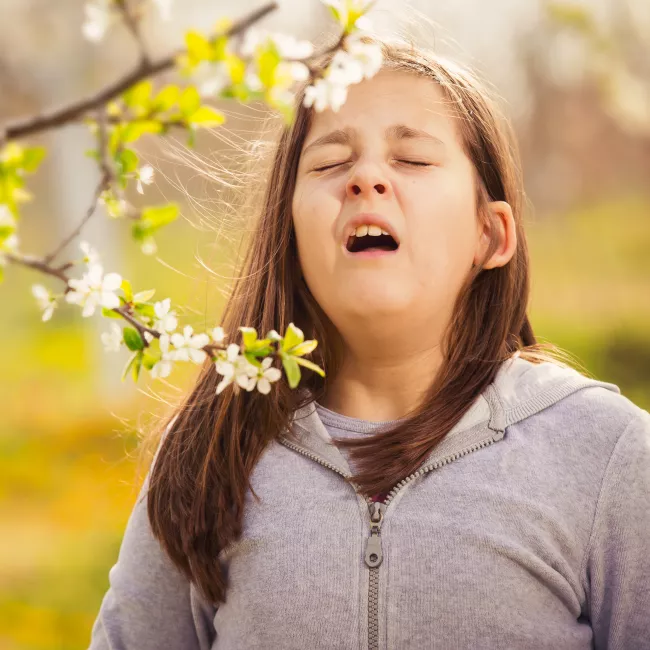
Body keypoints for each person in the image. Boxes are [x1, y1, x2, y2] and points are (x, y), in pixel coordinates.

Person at [88, 34, 650, 650]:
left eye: (412, 159)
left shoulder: (606, 455)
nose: (366, 179)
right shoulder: (207, 452)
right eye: (330, 164)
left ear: (490, 235)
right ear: (291, 231)